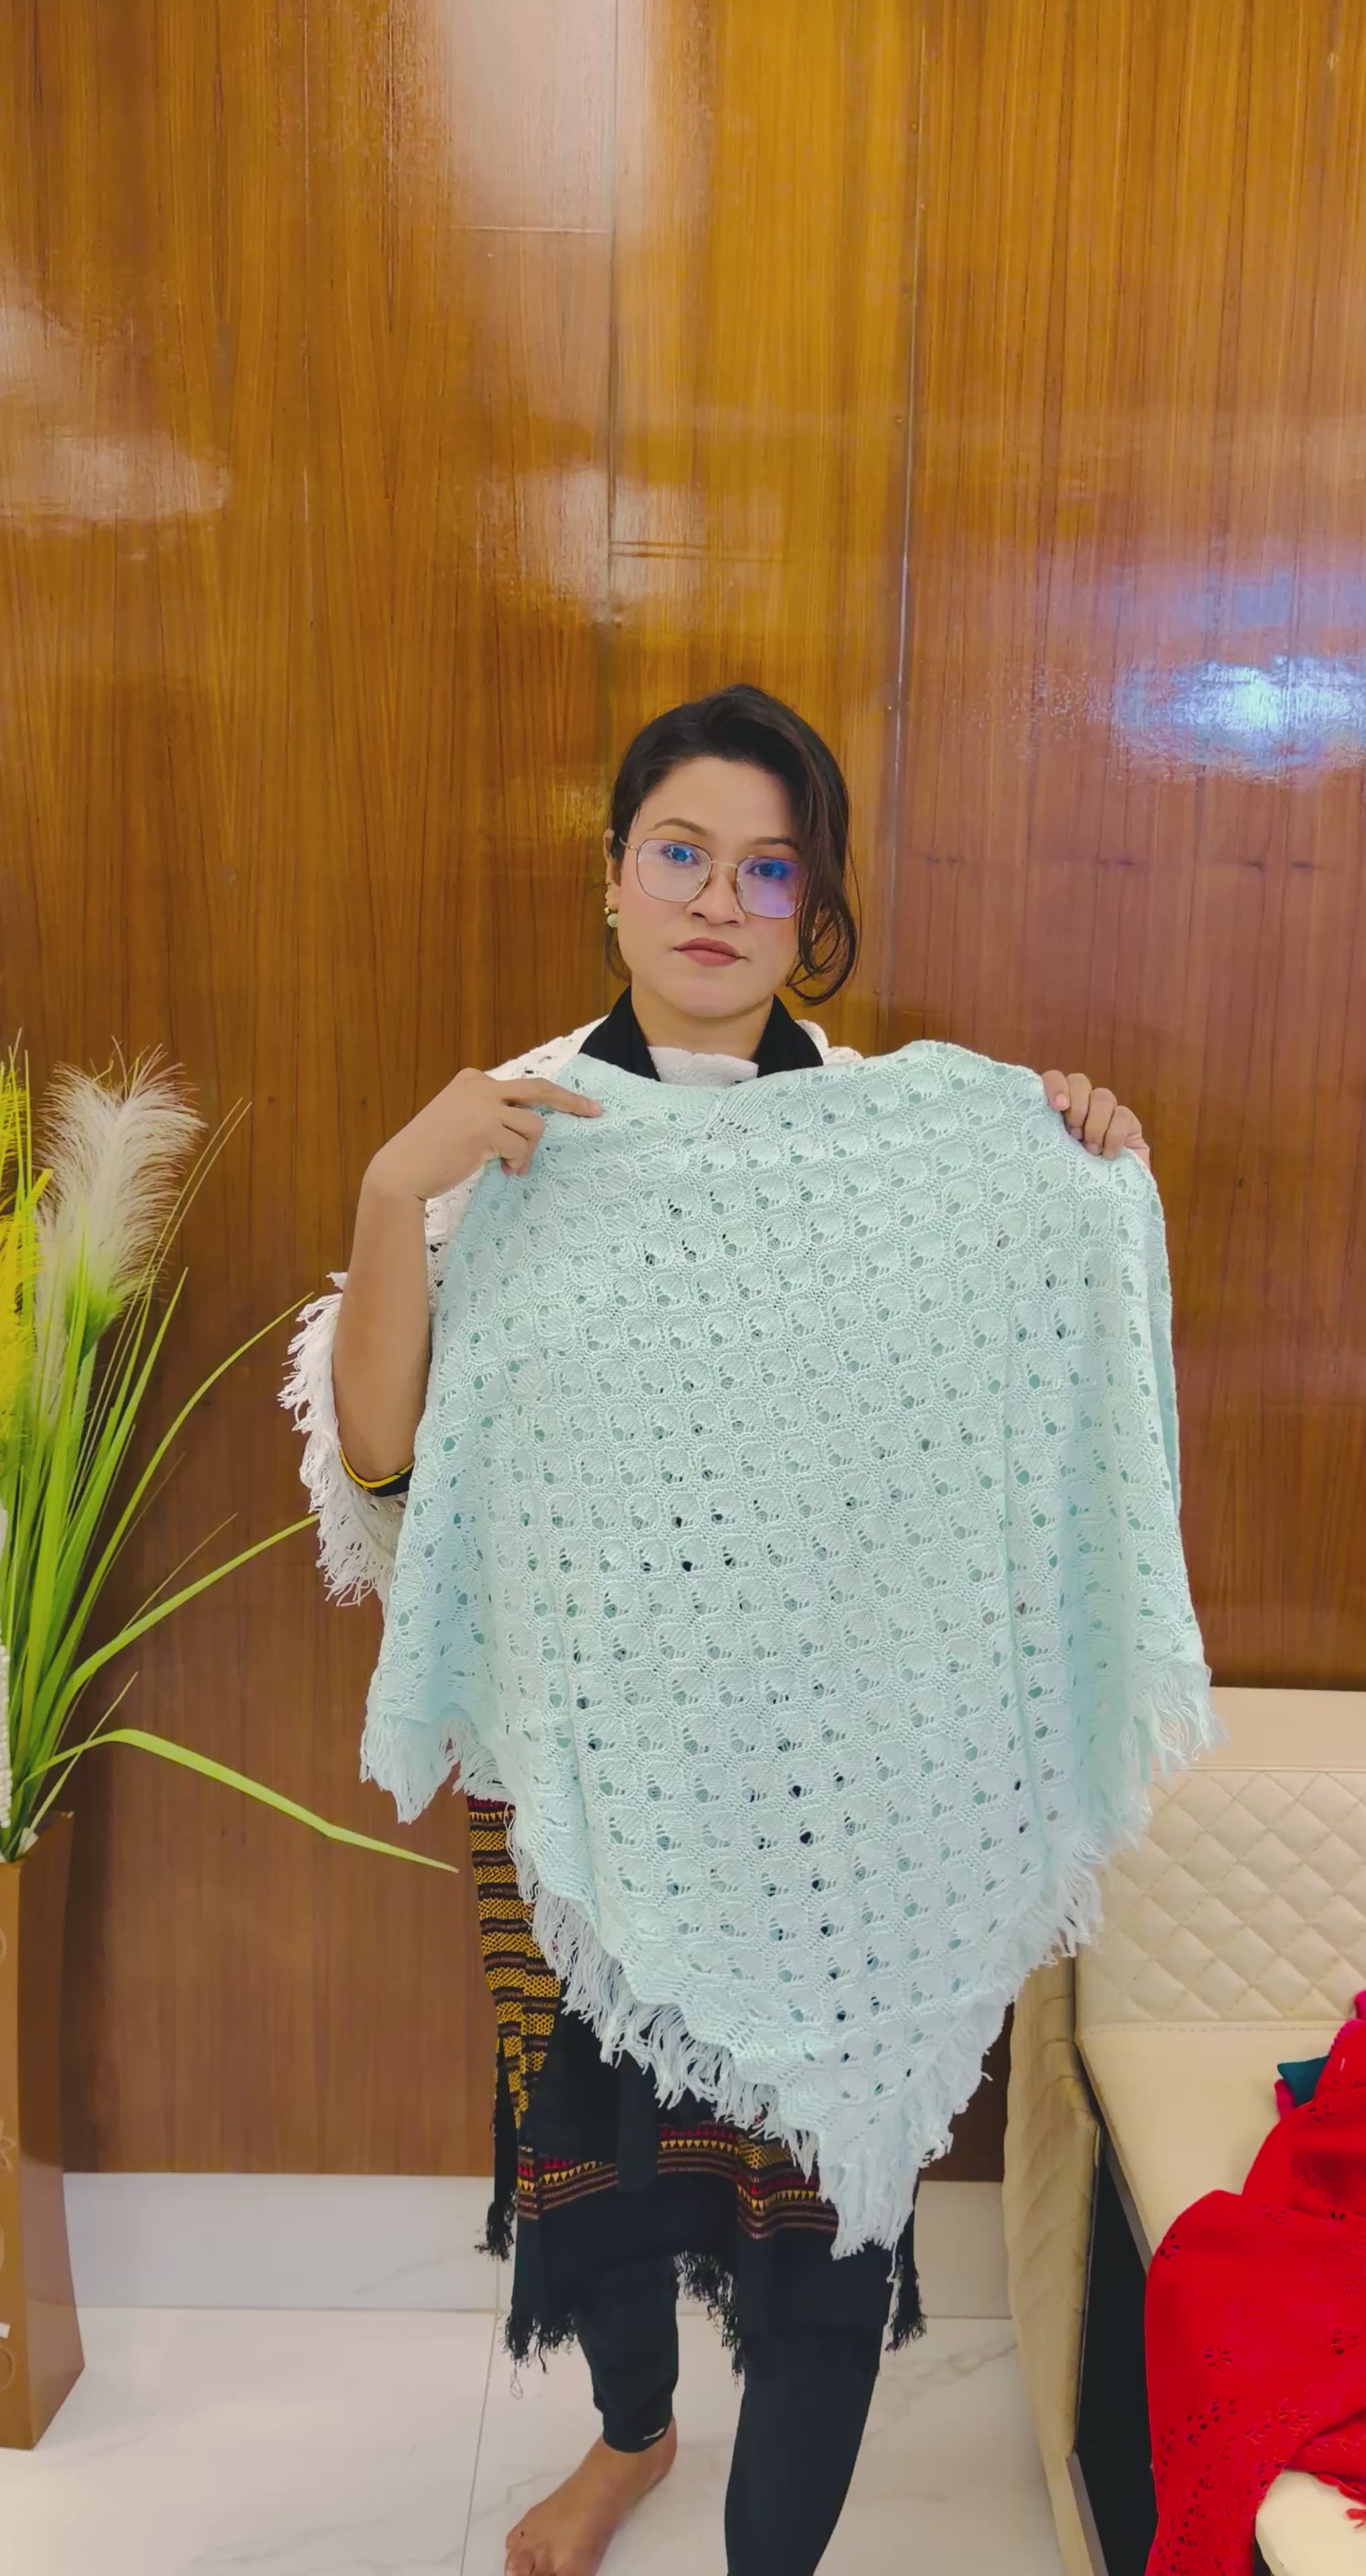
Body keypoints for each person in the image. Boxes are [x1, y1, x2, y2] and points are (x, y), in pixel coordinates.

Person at [289, 684, 1149, 2576]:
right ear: (613, 873)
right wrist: (394, 1185)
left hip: (838, 1813)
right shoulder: (520, 1132)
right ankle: (633, 2437)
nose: (717, 899)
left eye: (769, 870)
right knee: (602, 2181)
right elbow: (382, 1456)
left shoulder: (887, 1148)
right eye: (681, 852)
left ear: (808, 908)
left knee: (822, 2236)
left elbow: (990, 1430)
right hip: (587, 1791)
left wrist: (1074, 1162)